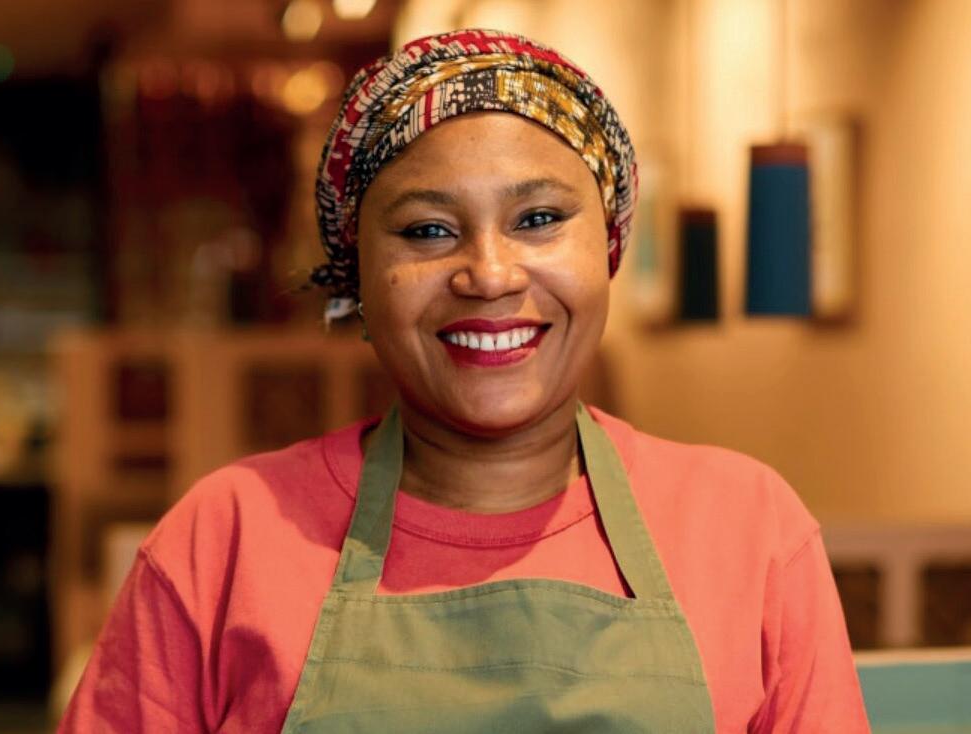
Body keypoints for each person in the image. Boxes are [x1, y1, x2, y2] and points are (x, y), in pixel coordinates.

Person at [59, 28, 870, 733]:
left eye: (539, 219)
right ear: (359, 277)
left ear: (607, 247)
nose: (488, 274)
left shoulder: (747, 526)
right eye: (427, 230)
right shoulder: (225, 537)